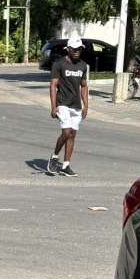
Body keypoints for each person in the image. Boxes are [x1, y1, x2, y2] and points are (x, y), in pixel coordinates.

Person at [47, 36, 89, 177]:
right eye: (75, 49)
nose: (78, 51)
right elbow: (53, 85)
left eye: (80, 49)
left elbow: (84, 86)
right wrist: (53, 106)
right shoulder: (59, 64)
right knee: (66, 133)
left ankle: (65, 166)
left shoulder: (83, 65)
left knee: (72, 135)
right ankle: (54, 157)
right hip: (62, 103)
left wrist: (86, 105)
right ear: (69, 49)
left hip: (76, 105)